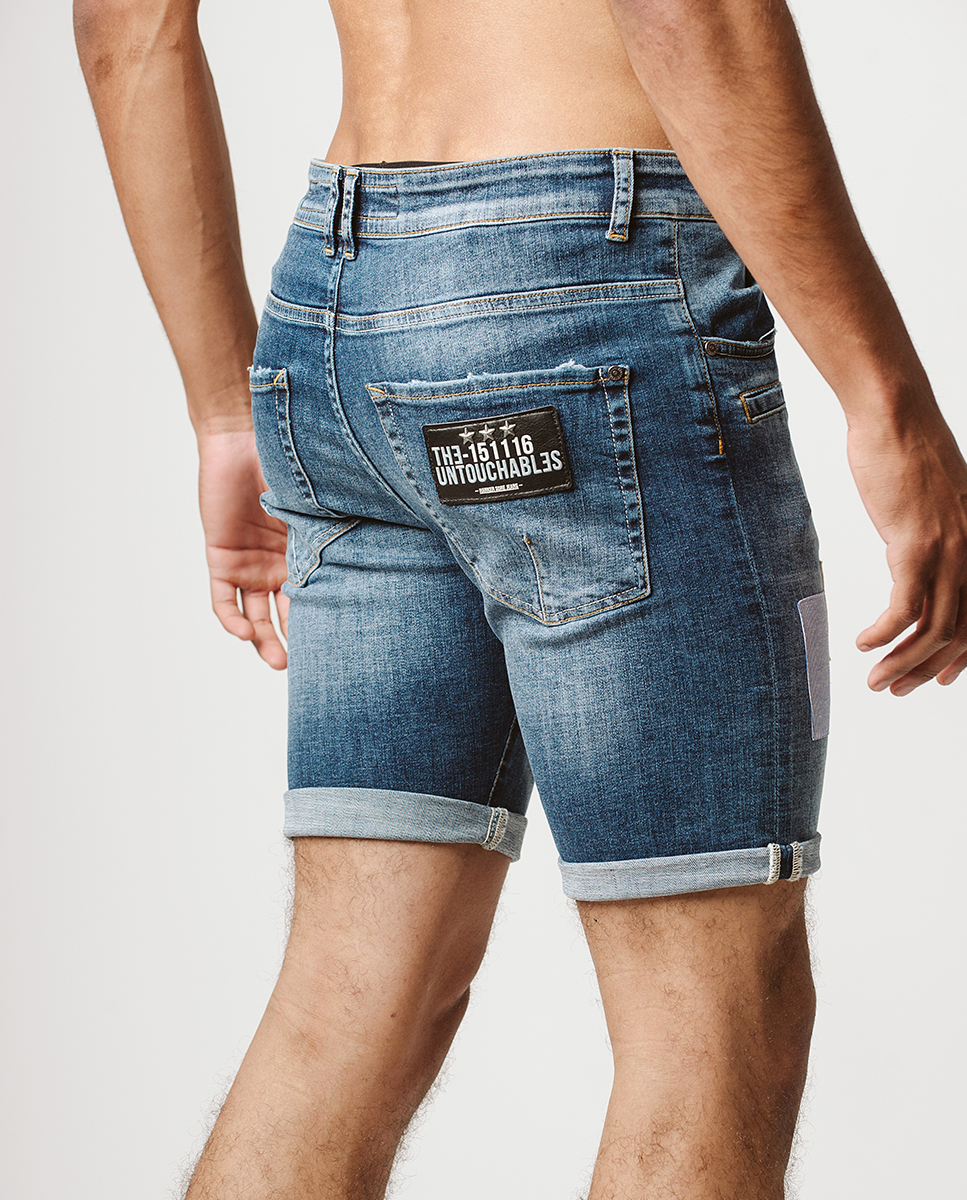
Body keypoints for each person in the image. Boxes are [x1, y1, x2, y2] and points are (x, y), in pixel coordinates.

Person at [74, 0, 967, 1195]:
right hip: (587, 286)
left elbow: (122, 25)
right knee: (708, 1020)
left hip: (336, 310)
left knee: (353, 1000)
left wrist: (225, 414)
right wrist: (887, 402)